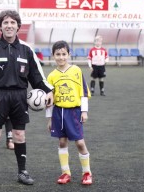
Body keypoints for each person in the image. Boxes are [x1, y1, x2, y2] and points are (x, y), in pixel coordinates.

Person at [0, 9, 54, 186]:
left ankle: (22, 172)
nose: (9, 26)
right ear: (0, 26)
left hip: (20, 97)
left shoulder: (26, 49)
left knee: (19, 135)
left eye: (13, 23)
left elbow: (36, 75)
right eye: (5, 22)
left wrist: (47, 90)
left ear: (18, 26)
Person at [46, 40, 92, 185]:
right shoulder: (52, 75)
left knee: (79, 142)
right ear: (53, 55)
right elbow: (49, 99)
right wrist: (49, 118)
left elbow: (83, 92)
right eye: (58, 54)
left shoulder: (76, 70)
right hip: (58, 112)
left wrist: (84, 111)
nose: (61, 57)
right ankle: (65, 173)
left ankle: (87, 173)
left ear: (69, 54)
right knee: (62, 141)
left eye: (64, 54)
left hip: (74, 111)